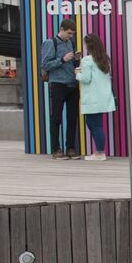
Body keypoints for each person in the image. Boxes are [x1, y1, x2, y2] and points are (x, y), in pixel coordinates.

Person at [39, 18, 80, 159]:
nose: (70, 36)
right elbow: (45, 65)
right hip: (58, 84)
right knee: (56, 117)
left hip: (72, 84)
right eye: (69, 33)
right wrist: (62, 60)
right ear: (61, 29)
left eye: (72, 34)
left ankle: (70, 148)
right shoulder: (50, 43)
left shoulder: (71, 43)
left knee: (72, 117)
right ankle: (56, 149)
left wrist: (76, 60)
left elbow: (72, 64)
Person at [74, 33, 116, 162]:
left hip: (92, 98)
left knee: (94, 125)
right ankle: (99, 151)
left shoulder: (87, 60)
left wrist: (77, 73)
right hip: (103, 98)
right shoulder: (104, 59)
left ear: (88, 45)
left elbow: (86, 79)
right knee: (97, 125)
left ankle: (99, 152)